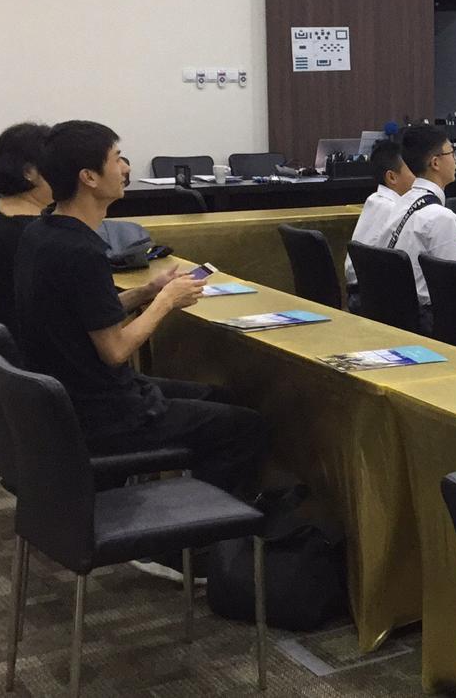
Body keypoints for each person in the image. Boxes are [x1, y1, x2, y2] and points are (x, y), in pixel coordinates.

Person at [13, 120, 266, 499]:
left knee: (219, 400)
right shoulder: (82, 252)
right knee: (247, 427)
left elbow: (80, 316)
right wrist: (166, 302)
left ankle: (186, 514)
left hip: (70, 397)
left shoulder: (41, 233)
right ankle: (202, 539)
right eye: (116, 159)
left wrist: (146, 292)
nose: (126, 168)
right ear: (89, 177)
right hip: (102, 412)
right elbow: (114, 350)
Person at [0, 123, 52, 333]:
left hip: (7, 334)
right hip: (34, 347)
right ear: (30, 172)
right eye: (56, 164)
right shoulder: (36, 232)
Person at [382, 125, 456, 334]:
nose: (455, 160)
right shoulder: (441, 217)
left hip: (397, 312)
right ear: (435, 162)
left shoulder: (400, 203)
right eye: (451, 153)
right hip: (428, 320)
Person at [344, 139, 414, 311]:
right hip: (374, 300)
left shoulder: (375, 200)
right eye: (412, 169)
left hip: (360, 295)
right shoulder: (395, 209)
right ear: (392, 177)